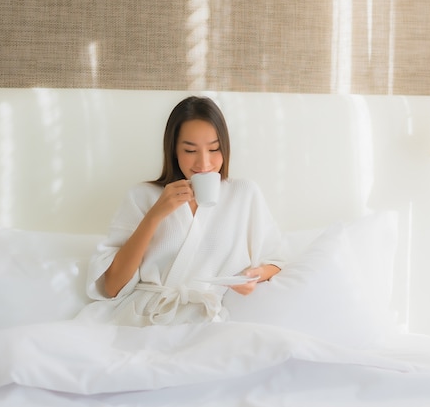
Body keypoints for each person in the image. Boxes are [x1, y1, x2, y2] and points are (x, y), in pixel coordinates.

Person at [76, 96, 284, 327]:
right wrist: (155, 214)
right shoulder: (142, 196)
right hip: (142, 318)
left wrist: (254, 276)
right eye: (190, 150)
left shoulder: (244, 194)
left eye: (214, 149)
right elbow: (113, 285)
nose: (204, 163)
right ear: (174, 150)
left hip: (205, 321)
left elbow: (277, 259)